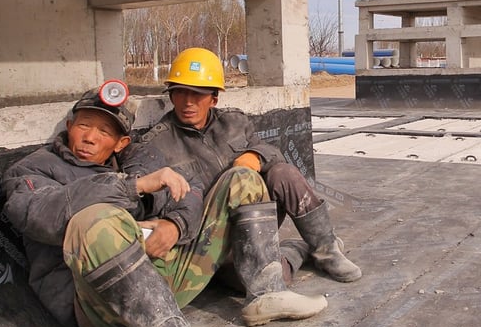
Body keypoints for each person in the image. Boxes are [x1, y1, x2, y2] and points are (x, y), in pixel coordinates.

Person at [1, 82, 325, 327]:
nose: (90, 137)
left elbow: (191, 189)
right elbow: (37, 214)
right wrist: (133, 187)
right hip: (98, 302)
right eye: (84, 125)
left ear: (120, 142)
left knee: (241, 180)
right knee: (94, 219)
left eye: (104, 132)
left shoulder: (134, 159)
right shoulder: (33, 168)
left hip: (163, 282)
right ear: (70, 126)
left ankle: (267, 293)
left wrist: (174, 223)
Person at [127, 47, 361, 286]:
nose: (188, 102)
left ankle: (327, 249)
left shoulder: (234, 123)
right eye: (180, 93)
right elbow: (144, 197)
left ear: (214, 98)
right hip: (209, 241)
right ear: (171, 96)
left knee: (282, 173)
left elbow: (273, 153)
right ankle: (298, 250)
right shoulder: (157, 143)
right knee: (265, 277)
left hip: (255, 219)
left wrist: (255, 155)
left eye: (197, 94)